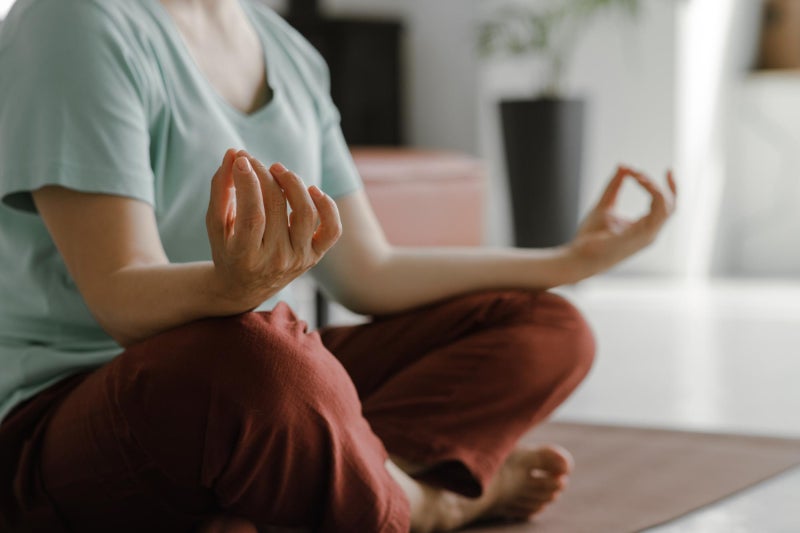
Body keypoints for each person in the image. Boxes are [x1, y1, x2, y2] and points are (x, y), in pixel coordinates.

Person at [0, 0, 677, 531]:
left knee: (545, 325)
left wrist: (564, 261)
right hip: (62, 416)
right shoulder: (75, 20)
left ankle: (288, 494)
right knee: (267, 362)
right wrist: (230, 288)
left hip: (240, 386)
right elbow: (120, 298)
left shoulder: (288, 51)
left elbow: (369, 271)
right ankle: (425, 503)